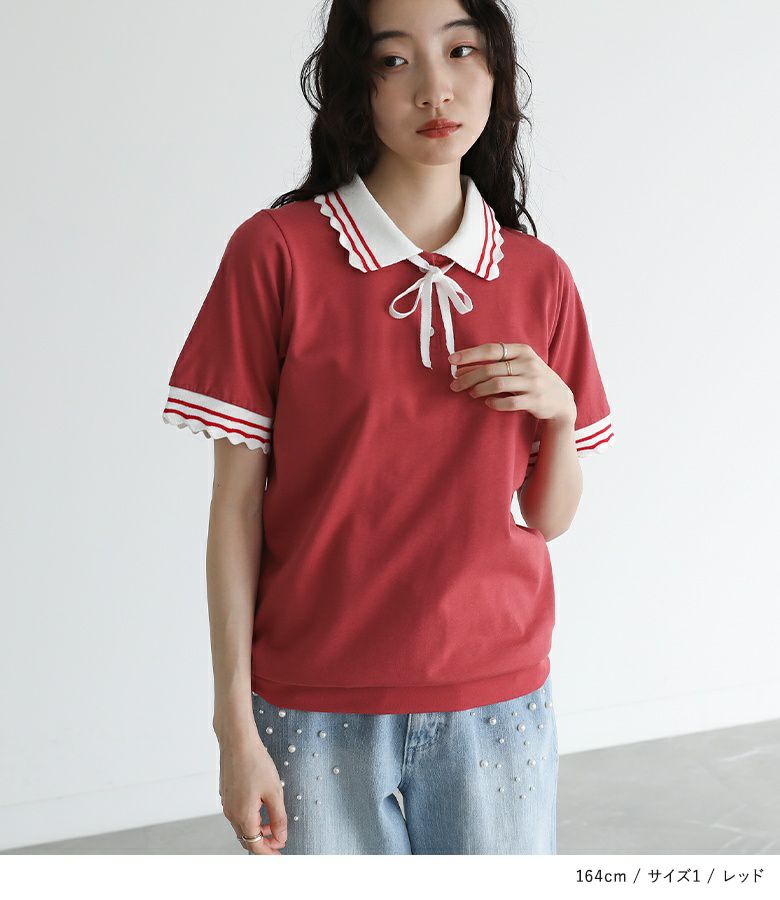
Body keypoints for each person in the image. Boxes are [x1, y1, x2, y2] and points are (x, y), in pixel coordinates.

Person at [162, 0, 614, 855]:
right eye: (395, 60)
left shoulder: (539, 275)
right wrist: (233, 729)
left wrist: (558, 410)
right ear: (354, 86)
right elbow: (235, 509)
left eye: (461, 51)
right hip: (313, 706)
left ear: (496, 71)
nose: (435, 88)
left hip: (498, 698)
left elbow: (547, 518)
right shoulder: (277, 253)